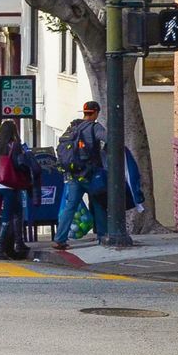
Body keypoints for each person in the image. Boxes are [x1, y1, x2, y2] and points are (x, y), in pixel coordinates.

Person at [53, 101, 108, 250]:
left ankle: (60, 239)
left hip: (73, 175)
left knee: (70, 207)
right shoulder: (95, 127)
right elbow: (109, 139)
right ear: (96, 112)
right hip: (90, 175)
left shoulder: (73, 127)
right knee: (99, 203)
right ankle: (103, 235)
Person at [0, 120, 32, 259]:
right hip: (10, 184)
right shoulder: (15, 146)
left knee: (17, 211)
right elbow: (19, 164)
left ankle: (18, 242)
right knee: (10, 215)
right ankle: (1, 249)